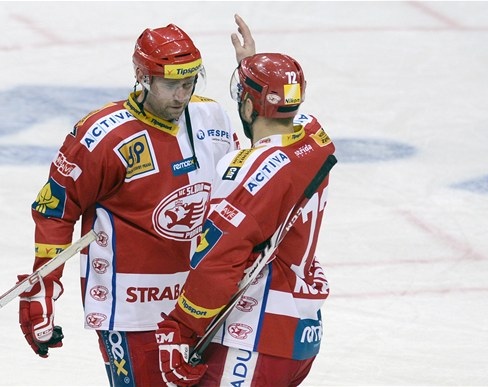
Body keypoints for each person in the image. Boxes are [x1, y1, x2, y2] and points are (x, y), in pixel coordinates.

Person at [17, 15, 255, 386]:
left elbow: (240, 186)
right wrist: (41, 289)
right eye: (172, 85)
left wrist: (249, 74)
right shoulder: (101, 137)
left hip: (203, 305)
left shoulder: (213, 117)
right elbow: (55, 211)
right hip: (132, 312)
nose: (183, 95)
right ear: (143, 78)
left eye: (190, 82)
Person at [155, 53, 336, 386]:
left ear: (250, 107)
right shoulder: (315, 137)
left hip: (253, 337)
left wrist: (179, 328)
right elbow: (282, 114)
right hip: (300, 334)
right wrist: (256, 68)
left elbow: (219, 260)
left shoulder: (243, 169)